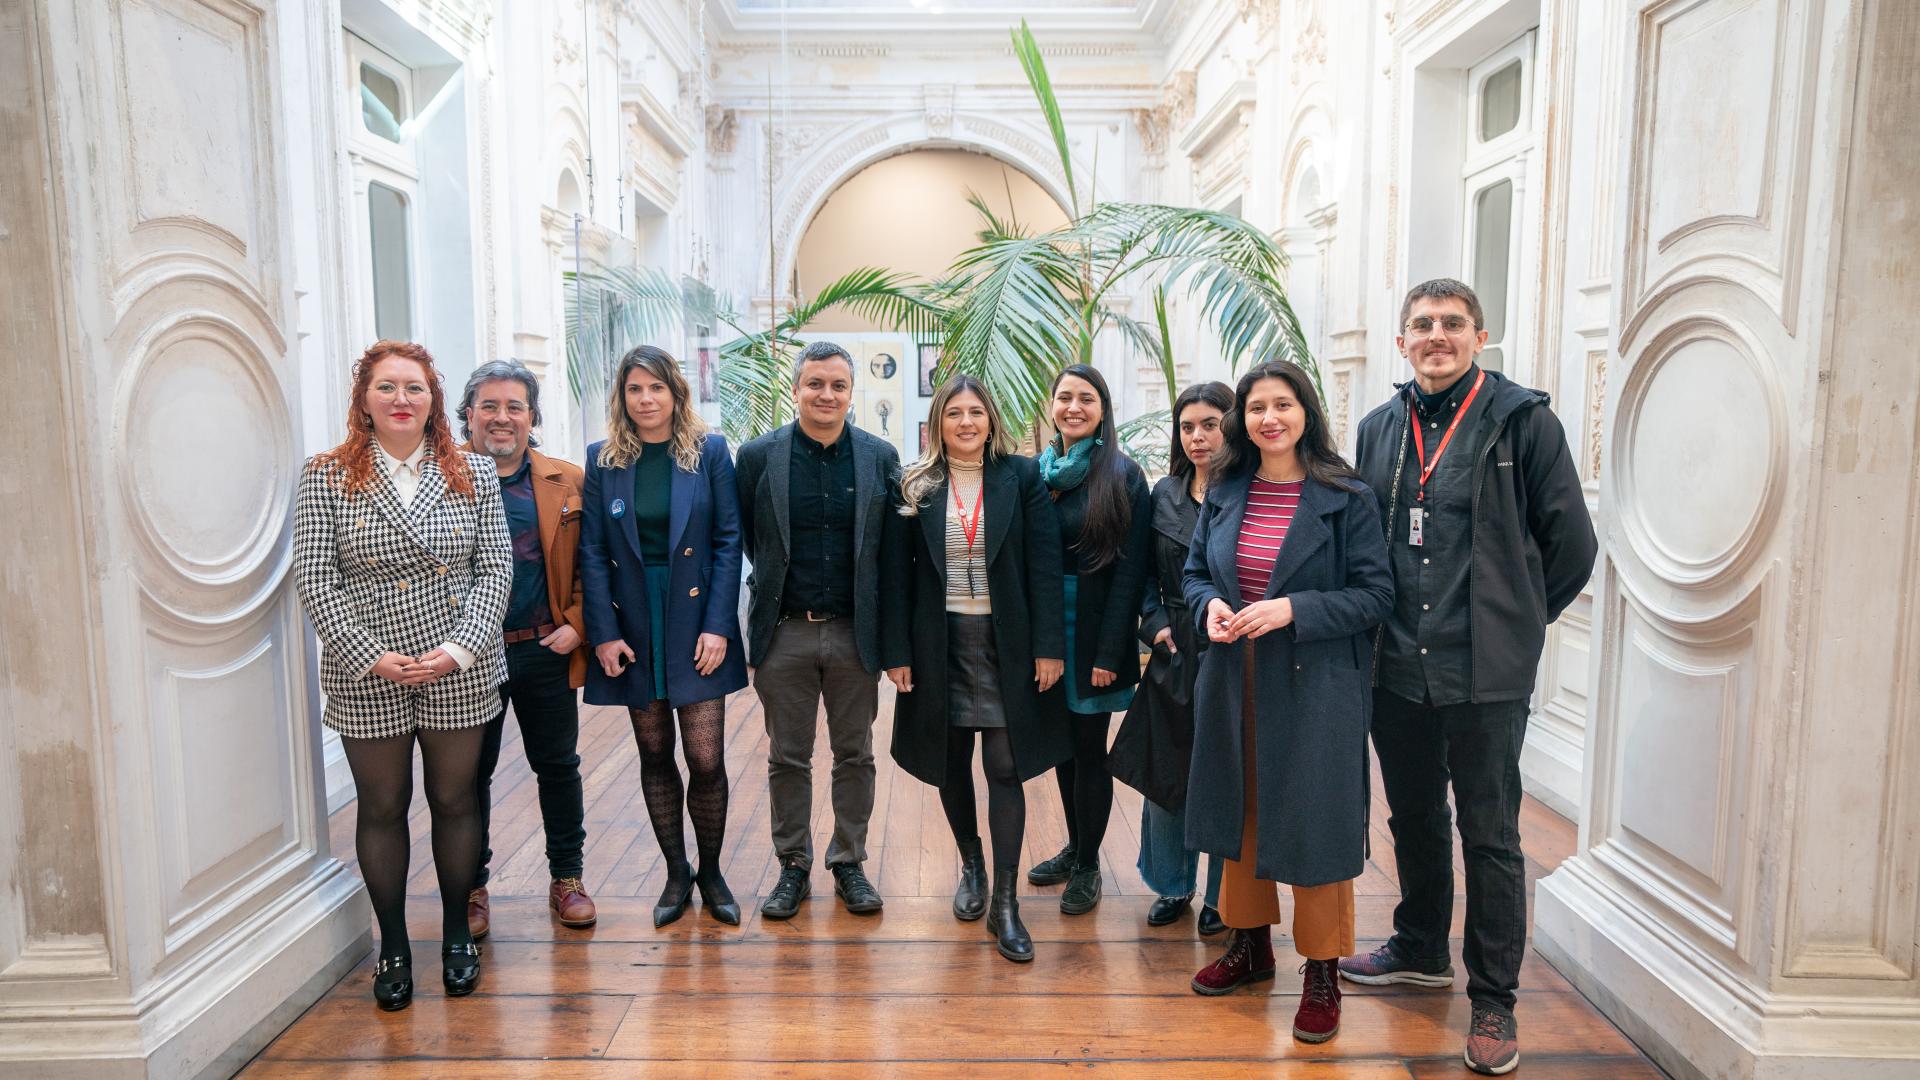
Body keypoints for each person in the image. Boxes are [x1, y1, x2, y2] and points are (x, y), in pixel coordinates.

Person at [1339, 278, 1596, 1075]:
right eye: (1422, 325)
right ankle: (1420, 946)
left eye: (1453, 324)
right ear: (1401, 342)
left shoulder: (1525, 421)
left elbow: (1572, 547)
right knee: (1412, 816)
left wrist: (1514, 622)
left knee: (1490, 835)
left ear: (1480, 337)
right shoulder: (1380, 428)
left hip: (1485, 672)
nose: (1437, 336)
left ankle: (1495, 999)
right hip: (1396, 667)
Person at [292, 340, 511, 1011]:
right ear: (364, 398)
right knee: (382, 808)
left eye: (414, 388)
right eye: (386, 387)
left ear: (433, 401)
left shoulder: (474, 470)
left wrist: (459, 650)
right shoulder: (324, 476)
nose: (401, 400)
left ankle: (454, 936)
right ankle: (391, 944)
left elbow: (495, 570)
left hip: (457, 667)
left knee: (456, 802)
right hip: (369, 671)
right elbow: (315, 578)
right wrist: (369, 654)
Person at [1181, 359, 1393, 1045]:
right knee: (1240, 811)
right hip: (1232, 674)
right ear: (1242, 419)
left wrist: (1292, 609)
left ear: (1307, 411)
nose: (1269, 417)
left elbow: (1375, 596)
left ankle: (1322, 970)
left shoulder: (1346, 494)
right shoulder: (1226, 488)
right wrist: (1208, 603)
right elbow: (1192, 574)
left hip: (1315, 681)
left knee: (1312, 821)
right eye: (1256, 407)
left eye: (1283, 404)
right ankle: (1249, 945)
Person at [883, 375, 1067, 963]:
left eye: (977, 413)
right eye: (954, 413)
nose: (967, 423)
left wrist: (1049, 647)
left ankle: (1006, 903)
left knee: (1005, 764)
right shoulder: (916, 484)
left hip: (1006, 640)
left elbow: (1043, 563)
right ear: (938, 422)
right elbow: (897, 577)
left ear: (992, 421)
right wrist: (897, 653)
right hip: (939, 641)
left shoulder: (1024, 478)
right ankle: (972, 863)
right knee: (949, 758)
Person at [580, 345, 749, 927]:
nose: (646, 399)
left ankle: (712, 870)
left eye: (656, 388)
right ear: (622, 399)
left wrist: (719, 625)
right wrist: (602, 633)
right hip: (632, 622)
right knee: (654, 752)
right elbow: (594, 553)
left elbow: (729, 540)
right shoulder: (602, 460)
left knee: (705, 758)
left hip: (695, 618)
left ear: (677, 393)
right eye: (634, 389)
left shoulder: (710, 452)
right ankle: (677, 872)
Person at [735, 341, 905, 919]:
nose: (826, 395)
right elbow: (750, 544)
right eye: (815, 384)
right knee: (788, 756)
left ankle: (849, 861)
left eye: (837, 385)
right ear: (796, 389)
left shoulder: (880, 457)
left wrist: (895, 643)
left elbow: (890, 556)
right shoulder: (758, 457)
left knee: (855, 753)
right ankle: (793, 865)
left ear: (851, 392)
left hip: (857, 634)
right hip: (785, 633)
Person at [457, 360, 596, 938]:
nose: (502, 418)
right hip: (466, 658)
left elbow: (598, 563)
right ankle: (469, 885)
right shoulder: (443, 479)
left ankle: (567, 878)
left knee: (557, 767)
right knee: (466, 777)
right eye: (489, 406)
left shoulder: (567, 480)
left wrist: (580, 623)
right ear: (468, 414)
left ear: (533, 416)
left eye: (515, 406)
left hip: (544, 648)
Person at [1107, 381, 1233, 935]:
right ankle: (1171, 885)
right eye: (1188, 426)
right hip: (1174, 646)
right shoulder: (1164, 493)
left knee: (1227, 774)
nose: (1199, 436)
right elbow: (1138, 575)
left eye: (1211, 423)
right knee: (1165, 770)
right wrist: (1154, 625)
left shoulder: (1252, 493)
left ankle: (1223, 898)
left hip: (1233, 647)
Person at [1025, 365, 1152, 915]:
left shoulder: (1123, 475)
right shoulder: (1036, 474)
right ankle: (1075, 846)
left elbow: (1132, 571)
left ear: (1103, 410)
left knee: (1089, 748)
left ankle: (1089, 864)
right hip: (1046, 629)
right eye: (1064, 397)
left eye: (1086, 398)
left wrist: (1109, 653)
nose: (1073, 407)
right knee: (1062, 745)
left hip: (1098, 629)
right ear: (1051, 407)